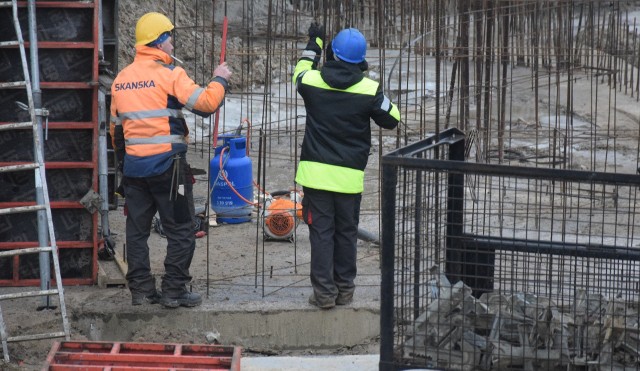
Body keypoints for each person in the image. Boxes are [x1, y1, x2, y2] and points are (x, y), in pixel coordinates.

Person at [109, 12, 232, 308]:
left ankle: (141, 291)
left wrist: (126, 169)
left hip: (135, 171)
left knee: (137, 233)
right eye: (171, 39)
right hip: (169, 169)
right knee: (181, 229)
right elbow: (206, 104)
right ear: (160, 42)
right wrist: (220, 79)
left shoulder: (121, 80)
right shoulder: (169, 75)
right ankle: (173, 291)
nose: (173, 45)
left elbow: (117, 133)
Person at [292, 24, 400, 309]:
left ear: (332, 53)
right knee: (346, 233)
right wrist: (376, 94)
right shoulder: (369, 90)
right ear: (360, 61)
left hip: (316, 177)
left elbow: (299, 71)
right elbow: (393, 118)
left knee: (321, 233)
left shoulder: (312, 81)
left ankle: (324, 294)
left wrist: (314, 43)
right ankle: (345, 290)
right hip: (349, 179)